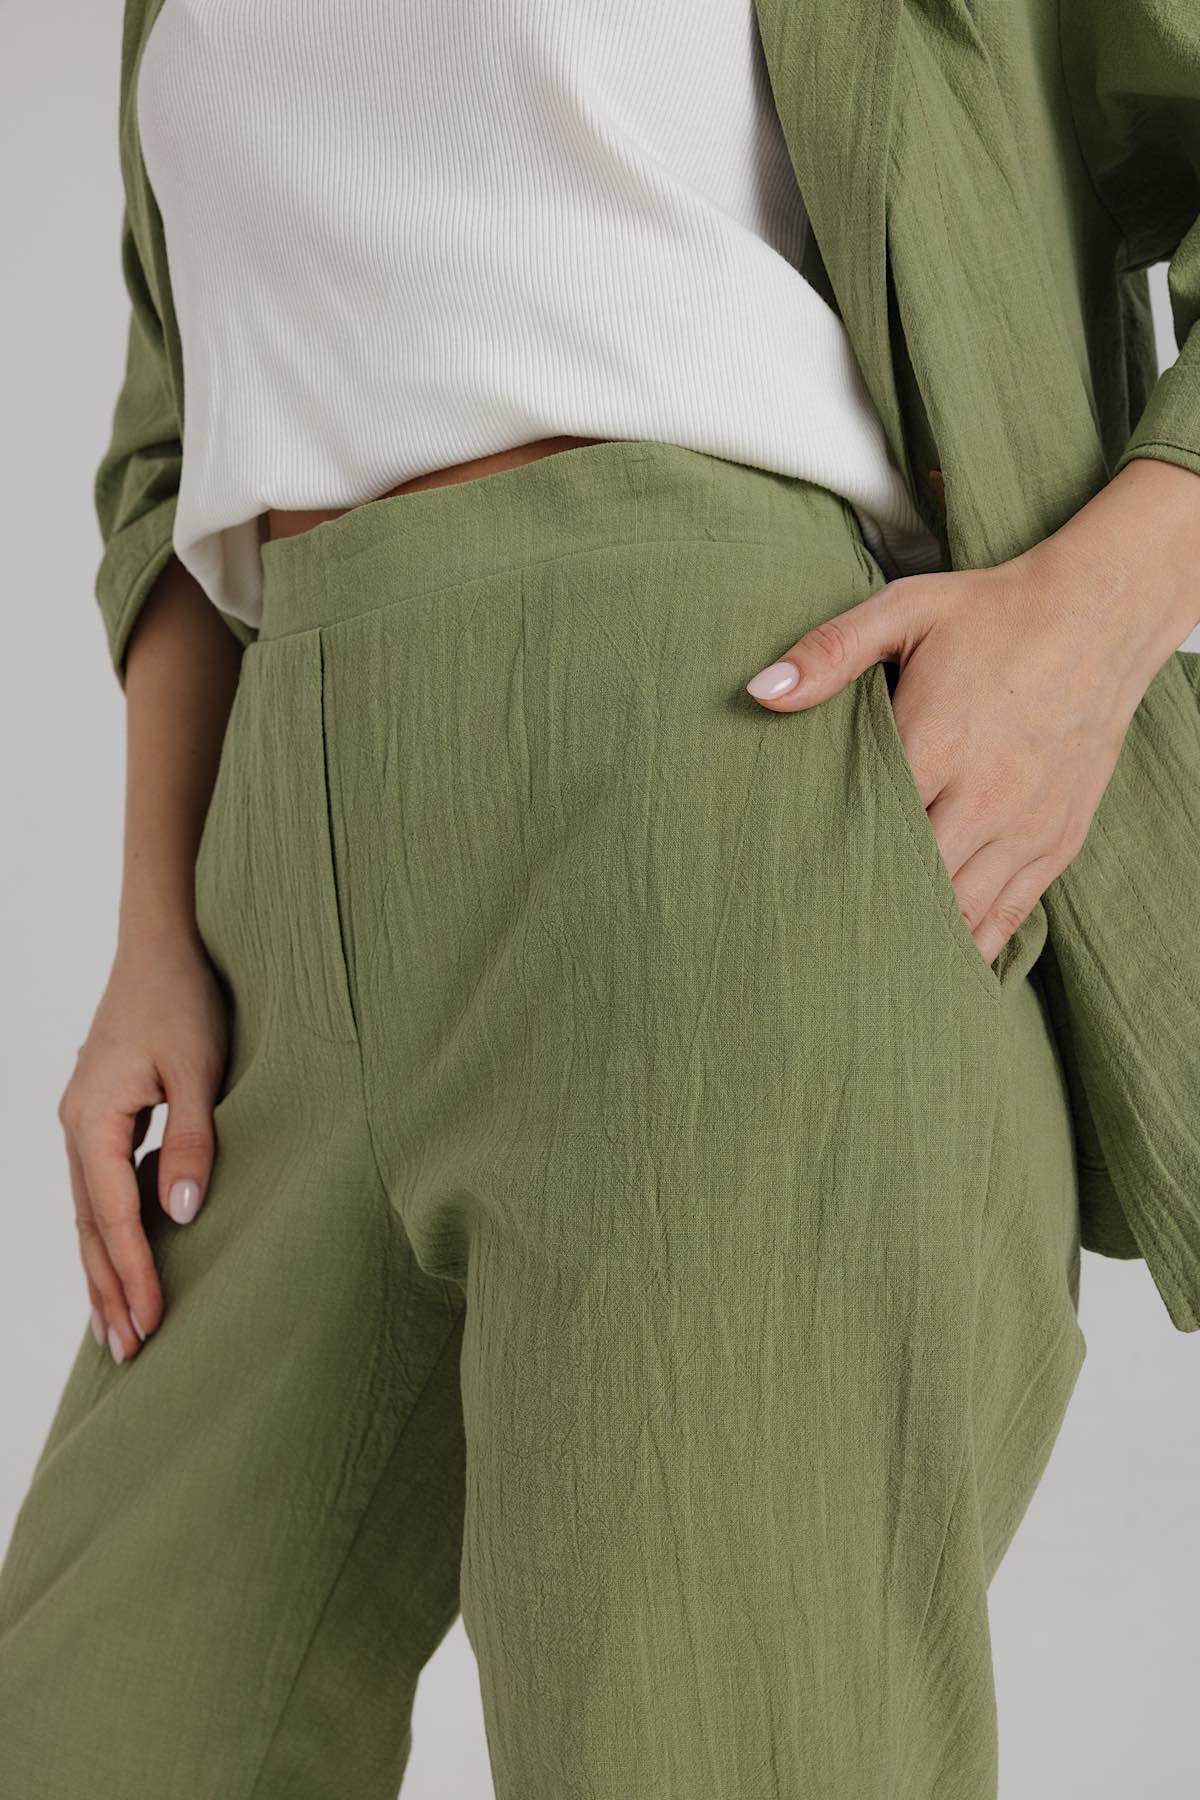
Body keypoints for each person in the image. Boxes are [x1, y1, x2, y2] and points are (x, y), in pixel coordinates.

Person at [1, 1, 1198, 1795]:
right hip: (275, 907)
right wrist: (151, 931)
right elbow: (177, 449)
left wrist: (1093, 617)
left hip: (722, 793)